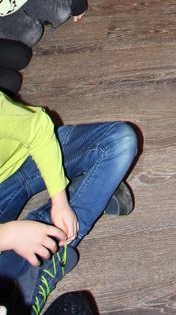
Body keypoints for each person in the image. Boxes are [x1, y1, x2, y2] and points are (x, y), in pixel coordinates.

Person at [0, 87, 137, 313]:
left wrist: (60, 199)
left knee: (120, 141)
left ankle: (51, 235)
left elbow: (38, 129)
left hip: (25, 156)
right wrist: (8, 236)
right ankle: (88, 198)